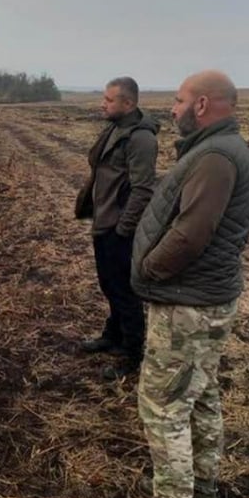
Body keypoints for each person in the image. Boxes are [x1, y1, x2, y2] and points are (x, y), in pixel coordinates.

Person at [108, 71, 249, 498]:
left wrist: (148, 269)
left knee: (163, 406)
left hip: (189, 303)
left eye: (177, 100)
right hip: (203, 298)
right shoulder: (216, 150)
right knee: (201, 393)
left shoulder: (214, 156)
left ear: (202, 105)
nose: (170, 109)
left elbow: (192, 234)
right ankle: (203, 492)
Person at [75, 76, 158, 379]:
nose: (103, 103)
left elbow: (143, 189)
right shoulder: (115, 128)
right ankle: (114, 335)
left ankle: (133, 353)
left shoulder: (140, 138)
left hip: (119, 227)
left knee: (124, 289)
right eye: (104, 98)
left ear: (129, 103)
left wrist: (124, 228)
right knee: (109, 284)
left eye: (109, 100)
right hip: (105, 221)